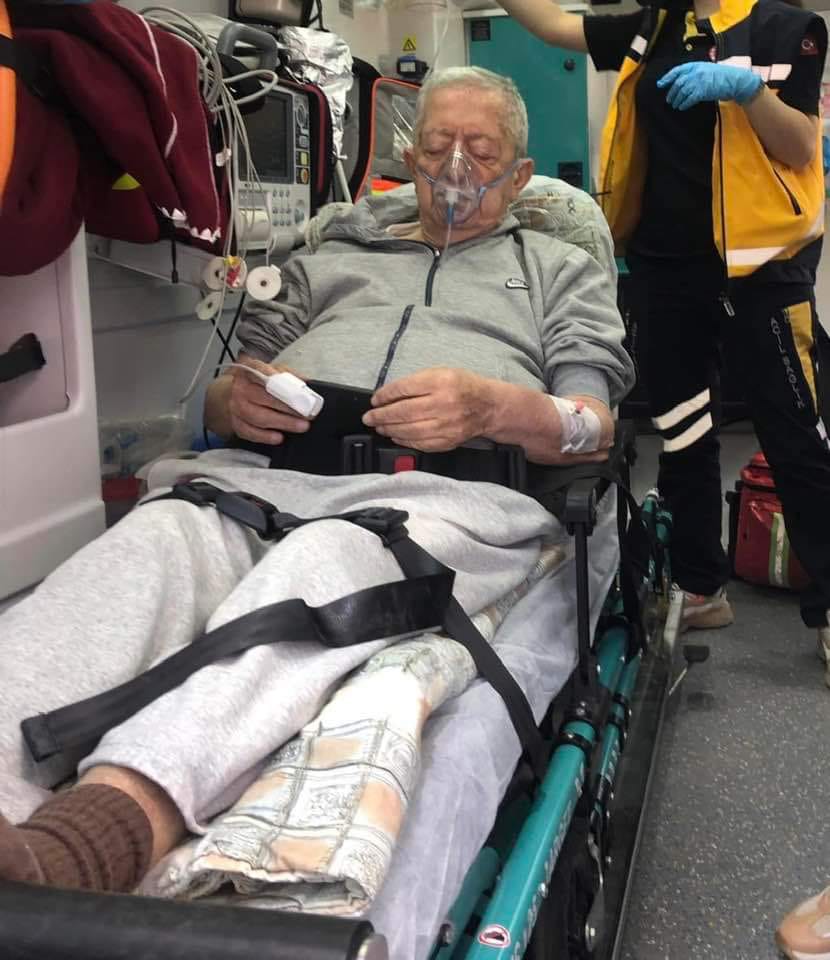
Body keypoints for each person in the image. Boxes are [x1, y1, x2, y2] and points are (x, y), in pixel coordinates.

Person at [0, 66, 633, 903]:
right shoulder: (330, 256)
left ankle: (98, 832)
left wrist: (494, 408)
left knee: (323, 566)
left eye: (481, 152)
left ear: (520, 177)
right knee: (152, 542)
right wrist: (234, 400)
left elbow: (593, 421)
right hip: (263, 479)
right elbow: (224, 388)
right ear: (410, 157)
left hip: (432, 503)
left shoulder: (558, 268)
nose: (454, 169)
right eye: (437, 145)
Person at [493, 0, 830, 651]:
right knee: (684, 429)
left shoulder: (788, 28)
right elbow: (554, 25)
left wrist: (747, 91)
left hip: (762, 268)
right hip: (667, 264)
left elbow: (799, 146)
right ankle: (701, 584)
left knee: (795, 436)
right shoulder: (654, 25)